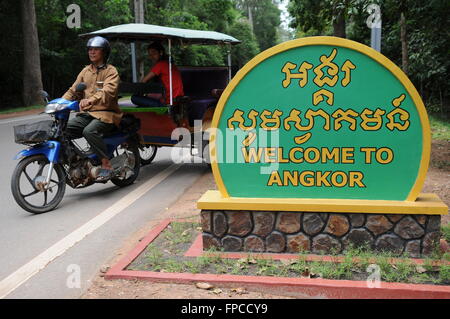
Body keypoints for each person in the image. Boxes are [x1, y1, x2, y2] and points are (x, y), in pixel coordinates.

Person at [63, 36, 122, 180]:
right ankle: (78, 161)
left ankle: (105, 163)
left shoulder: (111, 71)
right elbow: (73, 90)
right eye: (90, 49)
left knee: (89, 131)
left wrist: (90, 100)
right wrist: (59, 103)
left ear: (104, 52)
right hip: (87, 114)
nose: (92, 52)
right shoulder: (85, 71)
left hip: (106, 114)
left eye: (96, 49)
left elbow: (108, 92)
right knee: (61, 130)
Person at [131, 41, 184, 107]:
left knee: (134, 98)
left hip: (168, 101)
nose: (151, 57)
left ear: (161, 53)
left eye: (154, 53)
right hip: (176, 98)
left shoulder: (161, 65)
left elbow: (144, 81)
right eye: (150, 55)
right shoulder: (170, 64)